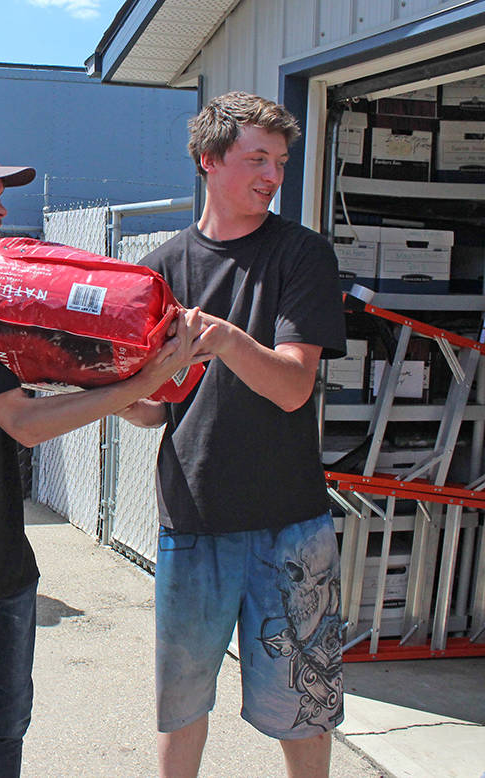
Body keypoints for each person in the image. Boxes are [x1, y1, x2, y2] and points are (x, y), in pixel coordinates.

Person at [0, 135, 204, 777]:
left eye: (1, 196)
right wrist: (135, 386)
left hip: (1, 560)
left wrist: (143, 376)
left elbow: (59, 382)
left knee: (5, 727)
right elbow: (21, 420)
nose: (0, 210)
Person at [118, 92, 347, 778]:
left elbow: (291, 385)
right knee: (182, 709)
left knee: (303, 711)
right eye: (257, 159)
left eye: (279, 161)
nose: (273, 175)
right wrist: (111, 394)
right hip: (192, 522)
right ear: (208, 161)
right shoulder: (158, 268)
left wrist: (219, 337)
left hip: (291, 528)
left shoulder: (303, 256)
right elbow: (157, 412)